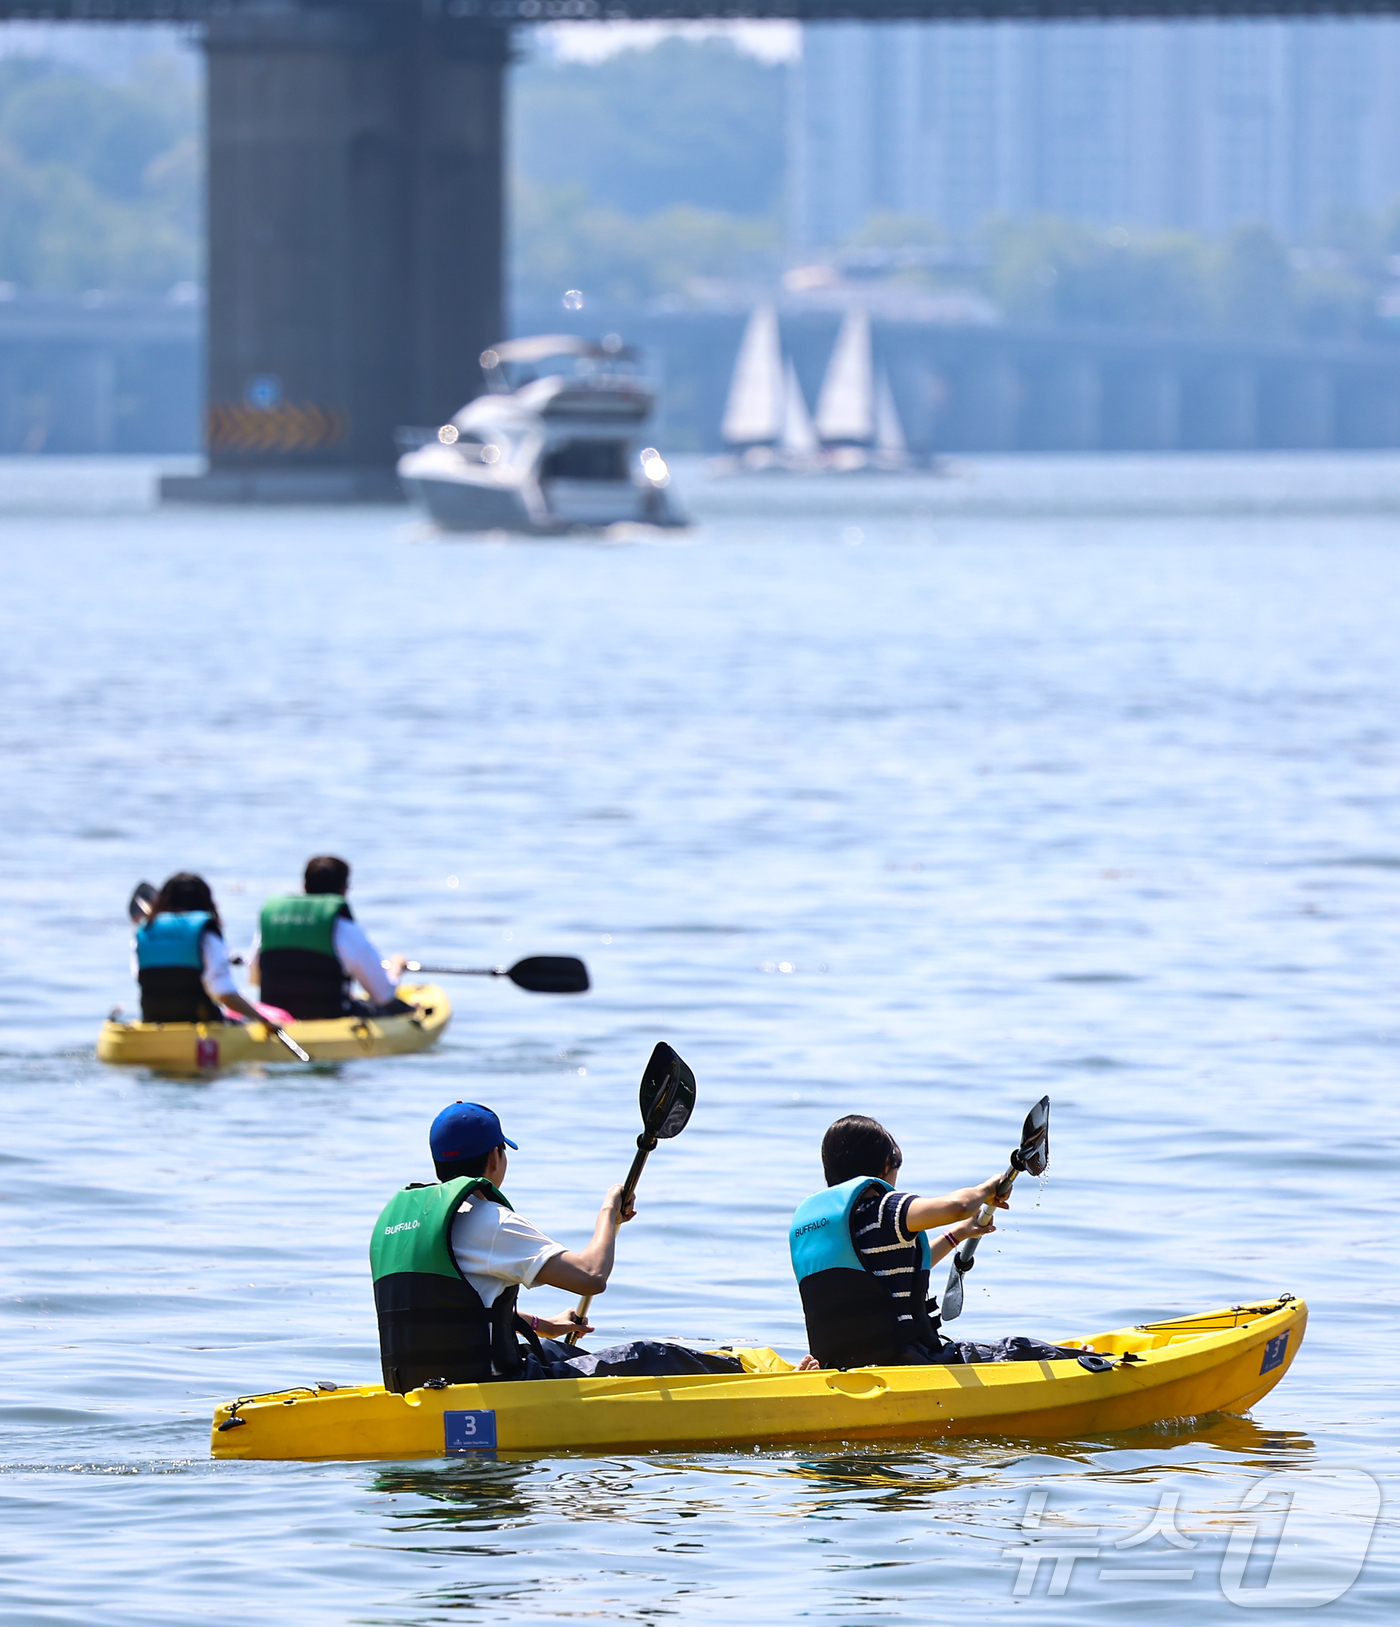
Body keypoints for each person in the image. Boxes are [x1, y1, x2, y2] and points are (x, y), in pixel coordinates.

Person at [369, 1101, 744, 1391]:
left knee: (558, 1350)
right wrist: (608, 1214)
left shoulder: (402, 1226)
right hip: (490, 1389)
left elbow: (450, 1313)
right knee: (648, 1355)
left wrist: (541, 1325)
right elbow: (591, 1276)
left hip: (421, 1384)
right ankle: (748, 1378)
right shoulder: (489, 1221)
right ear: (495, 1156)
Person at [789, 1115, 1112, 1371]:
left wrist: (959, 1234)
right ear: (887, 1165)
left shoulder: (823, 1226)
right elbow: (959, 1205)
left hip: (843, 1367)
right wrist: (988, 1188)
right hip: (910, 1362)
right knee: (1021, 1349)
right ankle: (1093, 1363)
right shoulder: (887, 1208)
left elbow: (896, 1269)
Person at [249, 855, 410, 1021]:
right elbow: (384, 996)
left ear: (304, 886)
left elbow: (254, 979)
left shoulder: (273, 925)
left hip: (277, 1022)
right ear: (343, 890)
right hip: (331, 1019)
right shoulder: (345, 929)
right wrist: (396, 967)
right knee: (402, 1009)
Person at [133, 872, 274, 1029]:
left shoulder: (144, 931)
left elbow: (141, 978)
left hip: (153, 1022)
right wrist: (263, 1020)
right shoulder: (206, 932)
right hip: (200, 1025)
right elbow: (225, 994)